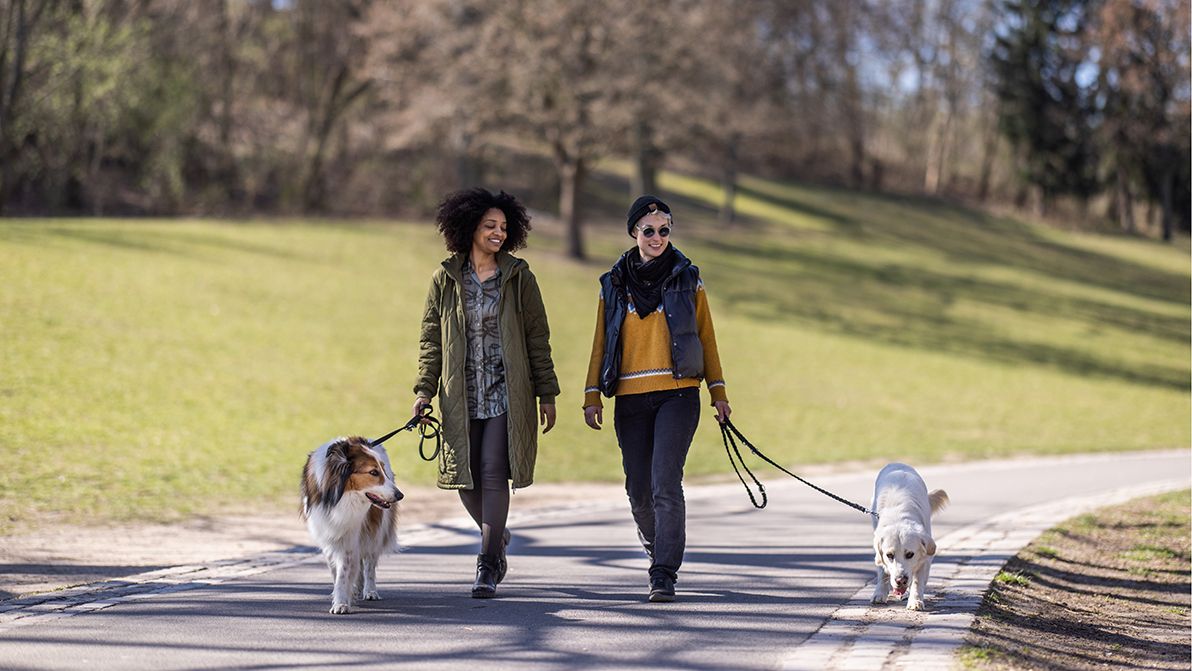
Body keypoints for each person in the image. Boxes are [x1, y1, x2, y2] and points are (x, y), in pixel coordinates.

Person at [582, 194, 731, 603]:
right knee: (637, 488)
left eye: (665, 230)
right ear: (634, 232)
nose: (658, 237)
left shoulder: (688, 277)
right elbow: (601, 341)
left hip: (679, 394)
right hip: (629, 397)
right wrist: (592, 392)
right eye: (649, 230)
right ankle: (656, 544)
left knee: (666, 481)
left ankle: (664, 572)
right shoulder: (612, 283)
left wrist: (717, 391)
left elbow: (706, 337)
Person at [413, 188, 559, 598]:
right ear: (469, 228)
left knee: (494, 470)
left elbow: (537, 337)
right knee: (464, 476)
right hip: (460, 393)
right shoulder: (445, 278)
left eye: (504, 228)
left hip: (507, 391)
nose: (498, 233)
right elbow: (430, 340)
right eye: (490, 226)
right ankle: (498, 537)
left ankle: (487, 562)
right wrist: (424, 391)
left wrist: (547, 393)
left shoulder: (519, 276)